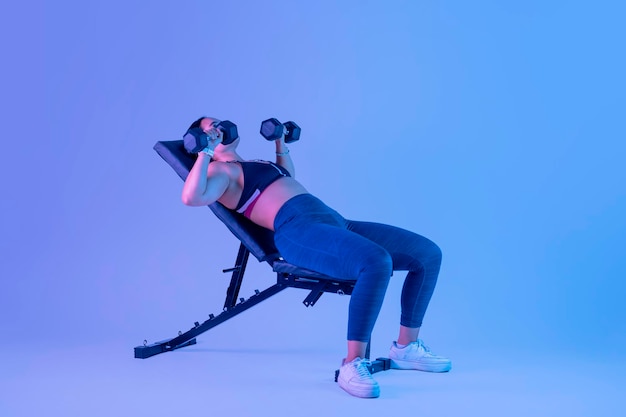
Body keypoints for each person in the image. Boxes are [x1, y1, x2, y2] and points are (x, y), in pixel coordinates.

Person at [181, 116, 451, 398]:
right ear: (199, 138)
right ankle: (352, 363)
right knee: (375, 261)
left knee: (427, 254)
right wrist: (205, 151)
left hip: (333, 221)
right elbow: (191, 197)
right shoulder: (219, 171)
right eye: (210, 126)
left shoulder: (250, 164)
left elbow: (287, 176)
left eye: (220, 122)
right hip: (297, 230)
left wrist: (279, 142)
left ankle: (406, 348)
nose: (220, 126)